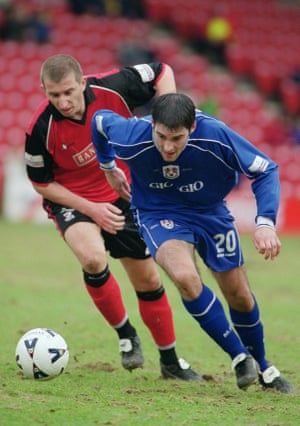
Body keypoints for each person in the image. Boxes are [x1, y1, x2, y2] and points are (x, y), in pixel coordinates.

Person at [91, 92, 295, 393]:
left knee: (239, 295)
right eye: (161, 136)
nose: (168, 146)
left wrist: (265, 223)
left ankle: (264, 367)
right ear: (152, 126)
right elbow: (98, 122)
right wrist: (108, 167)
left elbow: (266, 170)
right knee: (186, 278)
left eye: (177, 138)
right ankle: (239, 356)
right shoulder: (132, 133)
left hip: (210, 212)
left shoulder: (216, 135)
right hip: (157, 213)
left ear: (193, 128)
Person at [24, 55, 201, 381]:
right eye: (54, 95)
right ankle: (126, 334)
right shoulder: (40, 128)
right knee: (92, 259)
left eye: (68, 92)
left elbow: (163, 71)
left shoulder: (115, 87)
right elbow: (41, 183)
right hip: (74, 200)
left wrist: (163, 122)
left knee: (148, 281)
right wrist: (91, 209)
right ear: (44, 91)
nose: (63, 102)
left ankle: (171, 361)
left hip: (122, 193)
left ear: (82, 83)